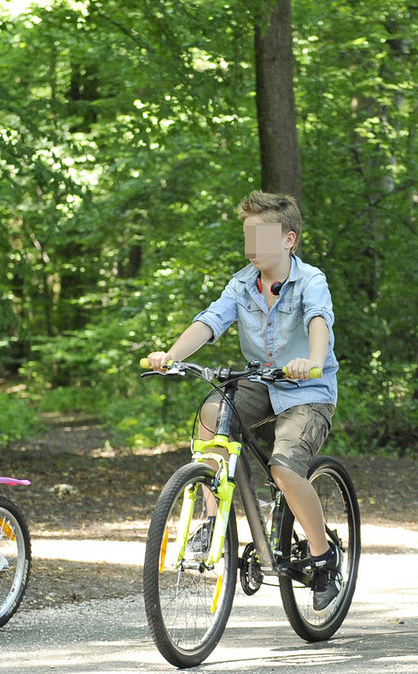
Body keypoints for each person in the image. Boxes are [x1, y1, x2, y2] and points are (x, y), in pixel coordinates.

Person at [144, 191, 343, 611]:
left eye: (261, 237)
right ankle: (214, 518)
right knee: (212, 412)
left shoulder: (310, 281)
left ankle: (324, 557)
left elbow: (318, 321)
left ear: (288, 240)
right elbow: (210, 320)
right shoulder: (241, 284)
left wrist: (314, 361)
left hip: (307, 389)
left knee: (284, 469)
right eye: (247, 236)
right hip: (260, 382)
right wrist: (171, 356)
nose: (252, 246)